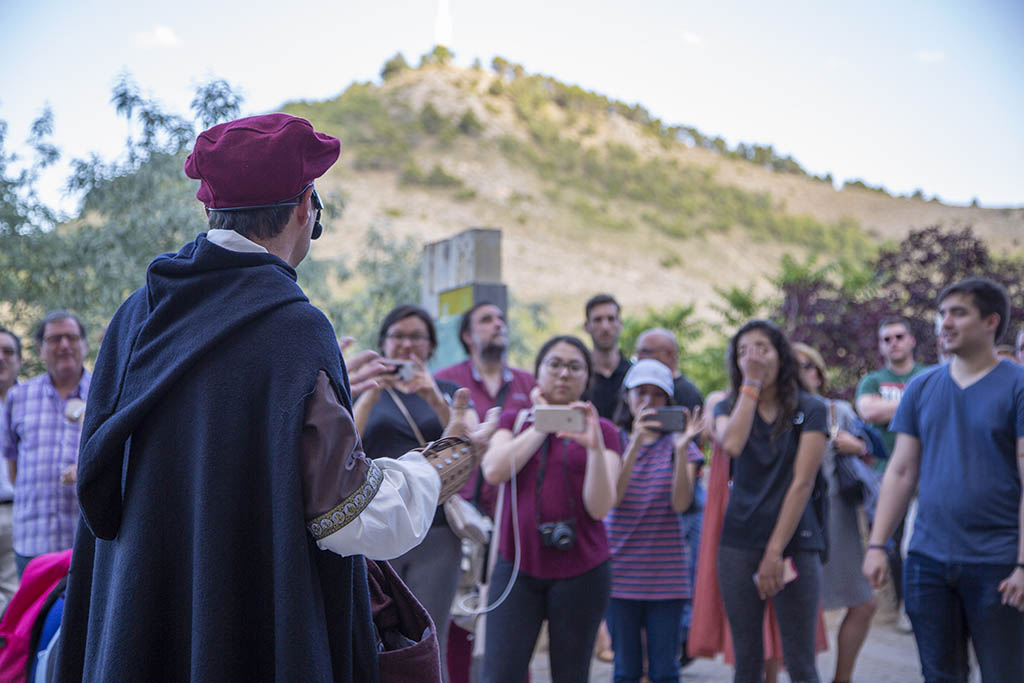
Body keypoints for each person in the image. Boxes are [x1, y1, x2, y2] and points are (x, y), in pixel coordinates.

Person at [54, 113, 482, 681]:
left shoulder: (136, 312)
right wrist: (439, 465)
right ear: (307, 207)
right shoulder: (293, 327)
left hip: (137, 618)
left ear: (209, 210)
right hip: (248, 627)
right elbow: (347, 514)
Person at [863, 277, 1024, 682]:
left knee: (1005, 675)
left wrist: (1023, 563)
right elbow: (901, 471)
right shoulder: (921, 387)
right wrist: (877, 544)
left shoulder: (1018, 386)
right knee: (939, 676)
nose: (944, 323)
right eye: (941, 314)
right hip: (928, 562)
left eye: (958, 313)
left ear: (991, 321)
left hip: (999, 564)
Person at [479, 335, 622, 683]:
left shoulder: (603, 431)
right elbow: (495, 470)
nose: (563, 374)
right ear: (538, 372)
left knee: (571, 676)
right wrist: (542, 426)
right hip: (517, 567)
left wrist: (593, 448)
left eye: (575, 367)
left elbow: (600, 507)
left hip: (583, 572)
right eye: (554, 364)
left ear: (586, 378)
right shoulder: (513, 421)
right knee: (498, 674)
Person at [352, 304, 478, 681]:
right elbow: (344, 447)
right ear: (383, 343)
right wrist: (370, 396)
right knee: (369, 636)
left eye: (416, 337)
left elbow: (466, 450)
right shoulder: (363, 393)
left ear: (431, 346)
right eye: (398, 336)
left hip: (435, 532)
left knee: (426, 638)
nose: (406, 345)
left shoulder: (449, 392)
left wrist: (434, 400)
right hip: (376, 530)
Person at [713, 320, 827, 683]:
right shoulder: (728, 405)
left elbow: (802, 482)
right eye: (743, 350)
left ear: (782, 355)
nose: (752, 356)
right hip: (739, 539)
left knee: (800, 660)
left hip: (795, 539)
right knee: (746, 660)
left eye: (762, 347)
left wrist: (774, 552)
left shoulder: (811, 407)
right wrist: (751, 385)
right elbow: (731, 445)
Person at [434, 301, 535, 682]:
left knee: (514, 619)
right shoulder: (446, 381)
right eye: (486, 320)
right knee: (461, 620)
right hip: (463, 522)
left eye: (500, 319)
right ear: (467, 335)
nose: (498, 325)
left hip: (517, 521)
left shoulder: (530, 383)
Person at [605, 359, 702, 683]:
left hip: (667, 578)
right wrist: (634, 443)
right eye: (640, 393)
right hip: (619, 576)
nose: (647, 401)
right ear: (627, 397)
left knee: (665, 671)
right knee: (625, 670)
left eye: (657, 395)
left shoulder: (681, 447)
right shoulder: (613, 439)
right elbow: (611, 498)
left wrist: (681, 448)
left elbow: (681, 503)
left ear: (669, 402)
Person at [793, 342, 876, 683]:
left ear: (818, 373)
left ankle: (842, 678)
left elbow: (871, 454)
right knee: (804, 606)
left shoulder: (839, 410)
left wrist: (857, 447)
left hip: (839, 515)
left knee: (864, 602)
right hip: (799, 515)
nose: (802, 372)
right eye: (795, 365)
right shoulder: (783, 410)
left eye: (808, 365)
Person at [1, 311, 90, 575]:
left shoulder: (104, 393)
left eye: (72, 337)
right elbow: (13, 468)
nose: (64, 345)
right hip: (32, 541)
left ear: (84, 345)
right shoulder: (19, 397)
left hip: (87, 540)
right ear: (39, 349)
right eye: (54, 339)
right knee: (34, 616)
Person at [854, 316, 930, 625]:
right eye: (886, 339)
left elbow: (880, 410)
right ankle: (903, 607)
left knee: (921, 543)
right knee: (891, 545)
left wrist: (892, 409)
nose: (893, 343)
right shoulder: (872, 380)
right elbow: (868, 410)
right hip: (885, 473)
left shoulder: (928, 374)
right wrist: (917, 403)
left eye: (899, 336)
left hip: (928, 471)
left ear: (911, 340)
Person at [582, 294, 631, 420]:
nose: (605, 327)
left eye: (611, 319)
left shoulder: (633, 374)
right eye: (598, 320)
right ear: (586, 326)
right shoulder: (578, 375)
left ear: (620, 324)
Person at [0, 326, 22, 610]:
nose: (1, 358)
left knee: (14, 602)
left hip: (17, 515)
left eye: (8, 352)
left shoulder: (33, 402)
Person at [634, 328, 702, 411]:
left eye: (645, 352)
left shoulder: (687, 393)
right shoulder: (634, 384)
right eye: (641, 392)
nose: (638, 357)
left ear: (669, 354)